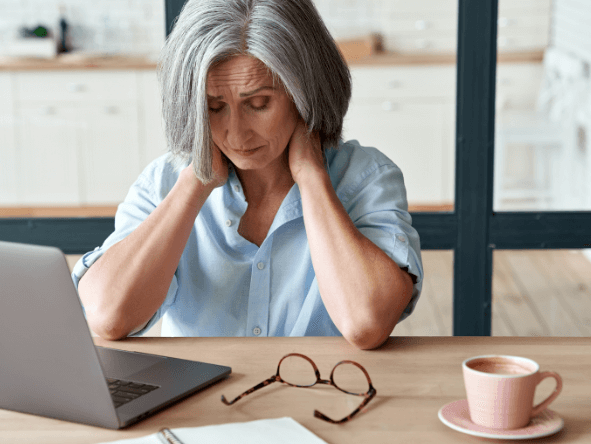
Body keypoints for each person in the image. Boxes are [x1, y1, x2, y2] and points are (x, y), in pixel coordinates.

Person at [72, 0, 423, 349]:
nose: (236, 135)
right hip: (201, 403)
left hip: (323, 398)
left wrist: (312, 178)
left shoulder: (366, 178)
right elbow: (108, 316)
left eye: (259, 105)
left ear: (306, 93)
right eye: (214, 108)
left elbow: (366, 324)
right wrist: (195, 184)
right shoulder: (163, 183)